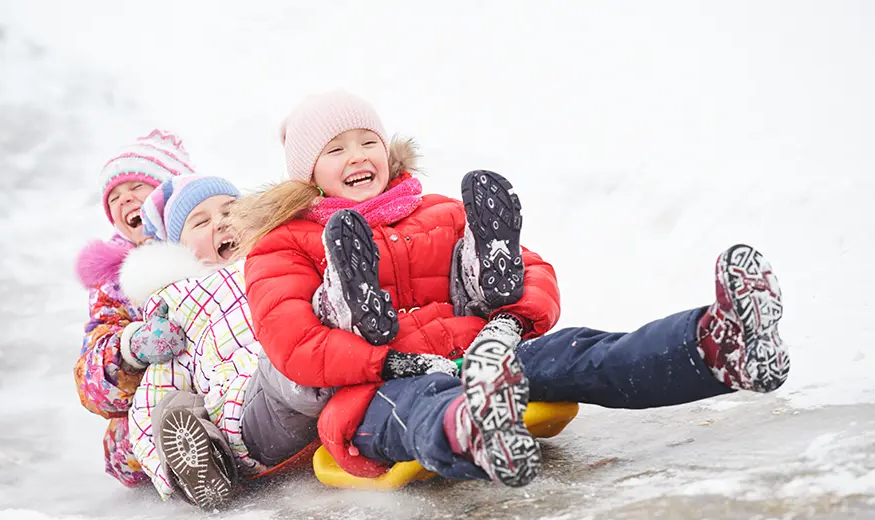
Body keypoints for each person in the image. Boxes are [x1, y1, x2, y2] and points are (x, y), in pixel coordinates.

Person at [241, 90, 790, 488]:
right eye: (336, 150)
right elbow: (293, 344)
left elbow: (537, 270)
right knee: (417, 406)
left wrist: (507, 324)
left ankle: (718, 346)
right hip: (373, 387)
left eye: (369, 141)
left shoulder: (441, 212)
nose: (359, 155)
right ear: (308, 174)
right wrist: (391, 362)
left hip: (481, 357)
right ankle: (471, 421)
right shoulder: (282, 245)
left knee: (575, 351)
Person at [73, 130, 192, 487]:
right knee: (135, 435)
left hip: (226, 377)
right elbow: (90, 383)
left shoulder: (215, 241)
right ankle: (191, 460)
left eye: (137, 187)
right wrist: (130, 349)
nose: (125, 199)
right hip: (159, 401)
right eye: (114, 197)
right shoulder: (114, 284)